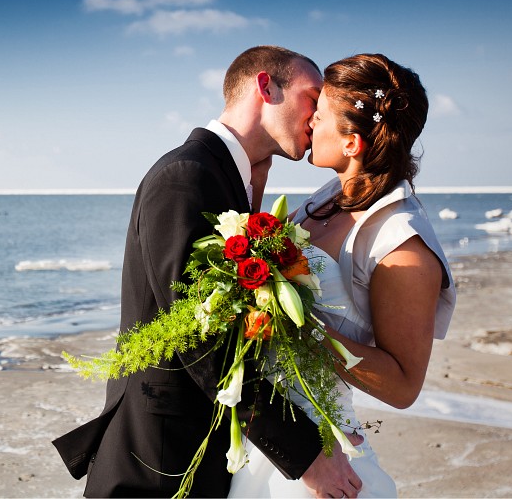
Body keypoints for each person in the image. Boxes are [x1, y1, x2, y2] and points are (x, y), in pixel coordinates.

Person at [53, 46, 364, 498]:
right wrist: (305, 453)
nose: (318, 115)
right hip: (160, 456)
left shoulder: (228, 176)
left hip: (204, 445)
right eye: (311, 96)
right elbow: (201, 339)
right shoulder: (187, 175)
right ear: (265, 87)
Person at [227, 53, 457, 498]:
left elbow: (404, 385)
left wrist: (301, 333)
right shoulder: (332, 194)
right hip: (270, 425)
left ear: (352, 143)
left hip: (320, 441)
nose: (308, 120)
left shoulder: (403, 246)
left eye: (321, 111)